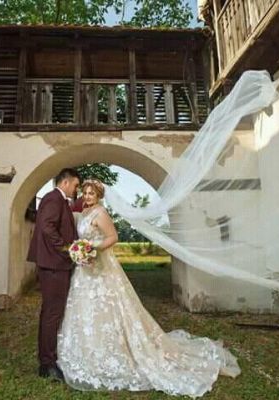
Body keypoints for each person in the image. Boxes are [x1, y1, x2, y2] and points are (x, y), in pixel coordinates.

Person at [57, 178, 241, 398]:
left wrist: (92, 249)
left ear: (98, 196)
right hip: (85, 272)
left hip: (101, 269)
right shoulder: (84, 212)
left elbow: (113, 237)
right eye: (85, 193)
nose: (87, 196)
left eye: (91, 194)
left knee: (109, 308)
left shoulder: (101, 213)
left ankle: (116, 350)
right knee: (86, 309)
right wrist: (80, 250)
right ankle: (87, 351)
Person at [27, 168, 80, 382]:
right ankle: (47, 363)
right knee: (52, 314)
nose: (76, 190)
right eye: (75, 185)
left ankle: (46, 359)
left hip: (54, 264)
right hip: (54, 264)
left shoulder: (59, 200)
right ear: (65, 182)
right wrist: (66, 248)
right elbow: (47, 227)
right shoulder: (53, 199)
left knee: (51, 312)